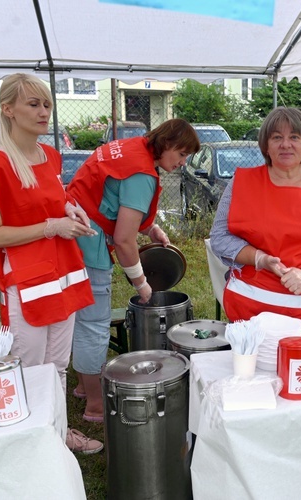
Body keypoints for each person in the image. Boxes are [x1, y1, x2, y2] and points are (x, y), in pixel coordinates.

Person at [0, 73, 102, 454]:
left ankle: (57, 434)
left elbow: (50, 198)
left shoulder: (51, 156)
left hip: (63, 273)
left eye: (46, 104)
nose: (44, 111)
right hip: (27, 281)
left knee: (57, 366)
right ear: (7, 109)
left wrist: (69, 209)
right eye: (34, 104)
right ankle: (28, 443)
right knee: (28, 369)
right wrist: (52, 226)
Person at [67, 118, 200, 422]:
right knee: (93, 324)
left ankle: (83, 387)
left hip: (76, 226)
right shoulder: (143, 174)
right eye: (180, 154)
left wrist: (150, 228)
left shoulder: (132, 147)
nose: (182, 163)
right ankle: (96, 406)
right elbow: (125, 241)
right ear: (165, 144)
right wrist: (141, 284)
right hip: (87, 242)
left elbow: (114, 197)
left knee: (80, 317)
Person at [209, 107, 301, 334]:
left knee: (298, 368)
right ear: (266, 145)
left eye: (294, 137)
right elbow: (219, 237)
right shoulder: (242, 183)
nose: (285, 144)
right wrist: (260, 259)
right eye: (277, 137)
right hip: (249, 311)